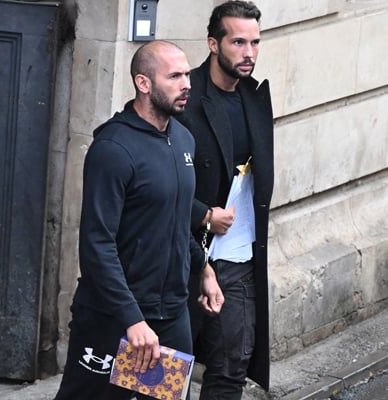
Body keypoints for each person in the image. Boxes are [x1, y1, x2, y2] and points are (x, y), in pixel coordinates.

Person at [53, 40, 224, 400]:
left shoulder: (182, 140)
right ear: (143, 83)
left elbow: (175, 221)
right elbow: (97, 245)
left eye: (187, 74)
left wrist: (204, 268)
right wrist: (132, 319)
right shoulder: (114, 149)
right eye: (174, 76)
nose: (186, 84)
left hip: (169, 314)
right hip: (113, 319)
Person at [176, 1, 275, 398]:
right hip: (178, 258)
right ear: (213, 44)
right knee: (163, 370)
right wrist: (202, 216)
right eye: (238, 42)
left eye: (255, 42)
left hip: (237, 259)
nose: (248, 52)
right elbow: (155, 181)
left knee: (232, 365)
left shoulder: (254, 97)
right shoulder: (183, 97)